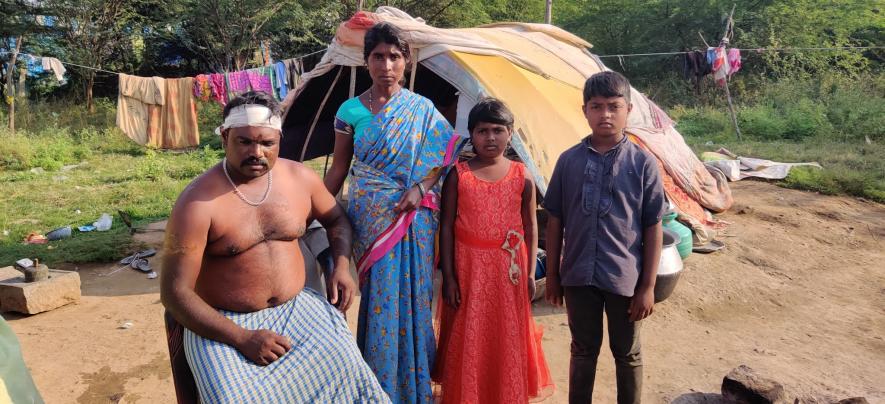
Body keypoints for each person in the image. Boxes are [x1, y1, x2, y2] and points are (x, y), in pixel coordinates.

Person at [161, 91, 390, 403]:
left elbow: (337, 220)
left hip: (299, 309)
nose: (257, 152)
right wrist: (242, 338)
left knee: (354, 380)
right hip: (224, 325)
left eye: (267, 143)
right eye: (245, 142)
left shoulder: (300, 179)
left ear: (279, 141)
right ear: (225, 137)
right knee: (232, 398)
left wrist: (339, 267)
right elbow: (175, 293)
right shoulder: (198, 202)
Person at [325, 23, 461, 403]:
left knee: (414, 299)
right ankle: (377, 386)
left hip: (414, 219)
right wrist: (311, 210)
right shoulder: (350, 110)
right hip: (370, 222)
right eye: (378, 56)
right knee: (379, 301)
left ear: (406, 61)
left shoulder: (422, 110)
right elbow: (339, 168)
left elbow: (443, 157)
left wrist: (419, 189)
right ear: (366, 60)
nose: (386, 64)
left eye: (394, 57)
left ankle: (414, 389)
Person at [544, 71, 666, 404]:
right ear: (584, 110)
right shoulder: (569, 161)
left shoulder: (643, 164)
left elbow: (653, 225)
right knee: (582, 350)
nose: (606, 115)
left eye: (614, 106)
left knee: (627, 353)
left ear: (628, 109)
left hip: (624, 277)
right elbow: (555, 220)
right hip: (578, 276)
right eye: (597, 107)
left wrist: (648, 286)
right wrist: (553, 276)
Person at [432, 98, 554, 403]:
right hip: (468, 267)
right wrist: (449, 276)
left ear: (510, 133)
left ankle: (502, 393)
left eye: (498, 130)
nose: (490, 137)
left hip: (508, 271)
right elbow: (445, 226)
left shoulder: (521, 175)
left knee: (505, 331)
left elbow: (530, 226)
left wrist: (529, 273)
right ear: (471, 135)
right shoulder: (458, 175)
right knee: (470, 329)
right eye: (483, 130)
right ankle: (469, 393)